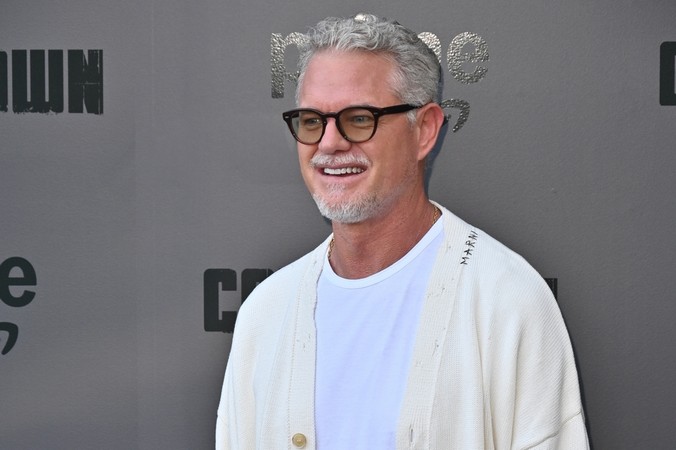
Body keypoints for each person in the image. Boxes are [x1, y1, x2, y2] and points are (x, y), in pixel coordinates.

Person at [216, 13, 589, 450]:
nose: (330, 143)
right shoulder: (266, 312)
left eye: (359, 118)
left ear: (425, 130)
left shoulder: (507, 300)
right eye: (312, 120)